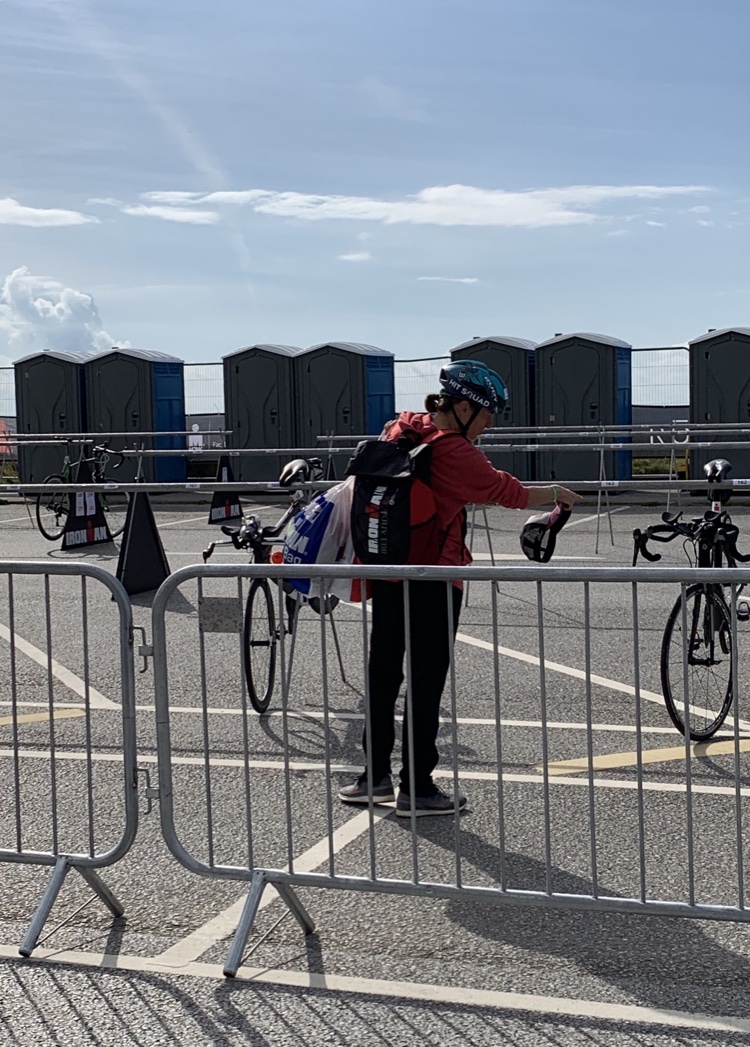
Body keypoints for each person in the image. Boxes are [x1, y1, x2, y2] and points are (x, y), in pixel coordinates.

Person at [339, 359, 581, 817]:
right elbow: (506, 491)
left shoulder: (401, 429)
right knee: (426, 681)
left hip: (386, 571)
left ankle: (372, 778)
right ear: (464, 407)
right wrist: (555, 493)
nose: (490, 425)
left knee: (383, 674)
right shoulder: (453, 451)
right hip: (434, 576)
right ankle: (417, 787)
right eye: (487, 414)